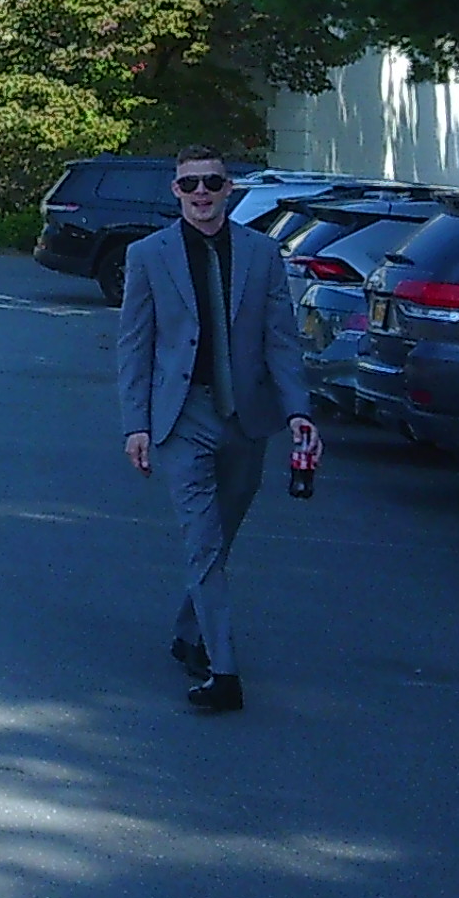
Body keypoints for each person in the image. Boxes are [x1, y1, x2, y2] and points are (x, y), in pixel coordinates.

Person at [116, 145, 318, 714]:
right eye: (189, 185)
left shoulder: (262, 253)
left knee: (221, 538)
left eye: (212, 183)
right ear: (175, 193)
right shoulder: (148, 256)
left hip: (246, 419)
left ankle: (188, 630)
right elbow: (135, 348)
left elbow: (281, 338)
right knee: (202, 539)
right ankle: (222, 669)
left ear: (230, 189)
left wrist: (299, 410)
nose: (201, 193)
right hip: (182, 418)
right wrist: (136, 424)